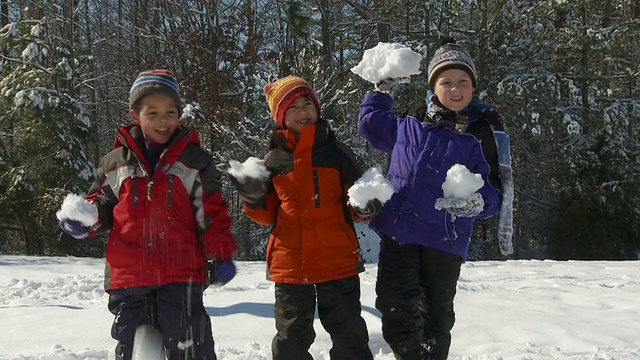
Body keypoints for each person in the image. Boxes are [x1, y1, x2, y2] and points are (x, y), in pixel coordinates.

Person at [57, 69, 238, 360]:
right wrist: (82, 219)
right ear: (135, 116)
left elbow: (212, 211)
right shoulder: (115, 163)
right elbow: (100, 206)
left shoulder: (194, 161)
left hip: (181, 274)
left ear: (179, 115)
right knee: (134, 347)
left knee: (190, 344)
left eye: (170, 111)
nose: (162, 119)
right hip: (130, 276)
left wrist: (221, 253)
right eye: (152, 112)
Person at [358, 38, 514, 360]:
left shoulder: (481, 135)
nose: (455, 89)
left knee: (437, 317)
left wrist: (479, 201)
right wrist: (381, 90)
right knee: (393, 304)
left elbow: (496, 191)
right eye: (446, 82)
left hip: (445, 238)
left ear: (472, 87)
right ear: (433, 86)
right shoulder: (411, 123)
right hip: (400, 232)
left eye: (463, 82)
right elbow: (371, 125)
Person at [229, 75, 376, 360]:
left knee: (349, 335)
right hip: (291, 265)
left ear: (317, 109)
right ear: (281, 118)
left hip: (338, 261)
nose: (302, 110)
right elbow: (265, 215)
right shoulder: (272, 161)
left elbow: (357, 202)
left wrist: (367, 206)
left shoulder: (337, 154)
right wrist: (252, 196)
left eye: (307, 103)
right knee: (290, 340)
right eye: (292, 106)